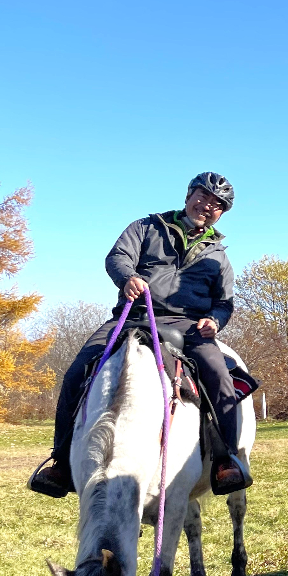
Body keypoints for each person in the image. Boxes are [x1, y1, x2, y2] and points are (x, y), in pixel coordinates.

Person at [28, 172, 251, 497]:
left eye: (217, 204)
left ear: (221, 214)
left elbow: (224, 302)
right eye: (203, 196)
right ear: (189, 195)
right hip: (133, 316)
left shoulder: (219, 256)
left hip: (187, 325)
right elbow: (117, 257)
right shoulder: (146, 227)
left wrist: (215, 321)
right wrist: (127, 278)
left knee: (218, 375)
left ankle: (225, 459)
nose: (207, 206)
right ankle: (61, 462)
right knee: (77, 372)